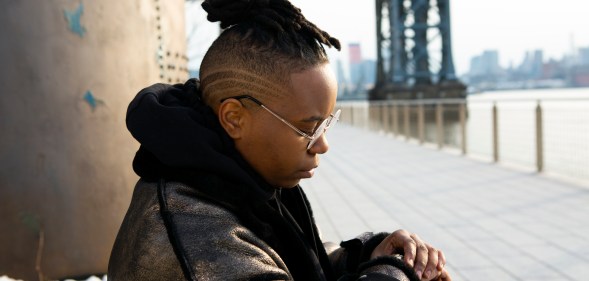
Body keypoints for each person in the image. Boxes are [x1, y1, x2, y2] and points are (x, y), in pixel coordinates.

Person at [108, 0, 451, 280]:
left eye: (327, 124)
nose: (322, 145)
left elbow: (295, 262)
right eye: (308, 127)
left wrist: (370, 255)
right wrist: (392, 276)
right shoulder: (193, 229)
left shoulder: (243, 177)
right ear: (234, 118)